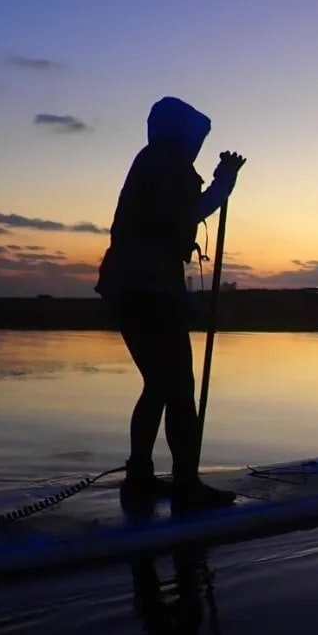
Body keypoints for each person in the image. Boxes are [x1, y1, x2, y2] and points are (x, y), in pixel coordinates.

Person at [96, 96, 246, 506]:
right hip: (147, 292)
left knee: (159, 385)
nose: (197, 144)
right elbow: (183, 216)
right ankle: (184, 483)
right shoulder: (167, 162)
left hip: (133, 290)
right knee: (178, 388)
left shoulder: (155, 159)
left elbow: (171, 223)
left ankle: (142, 475)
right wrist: (223, 185)